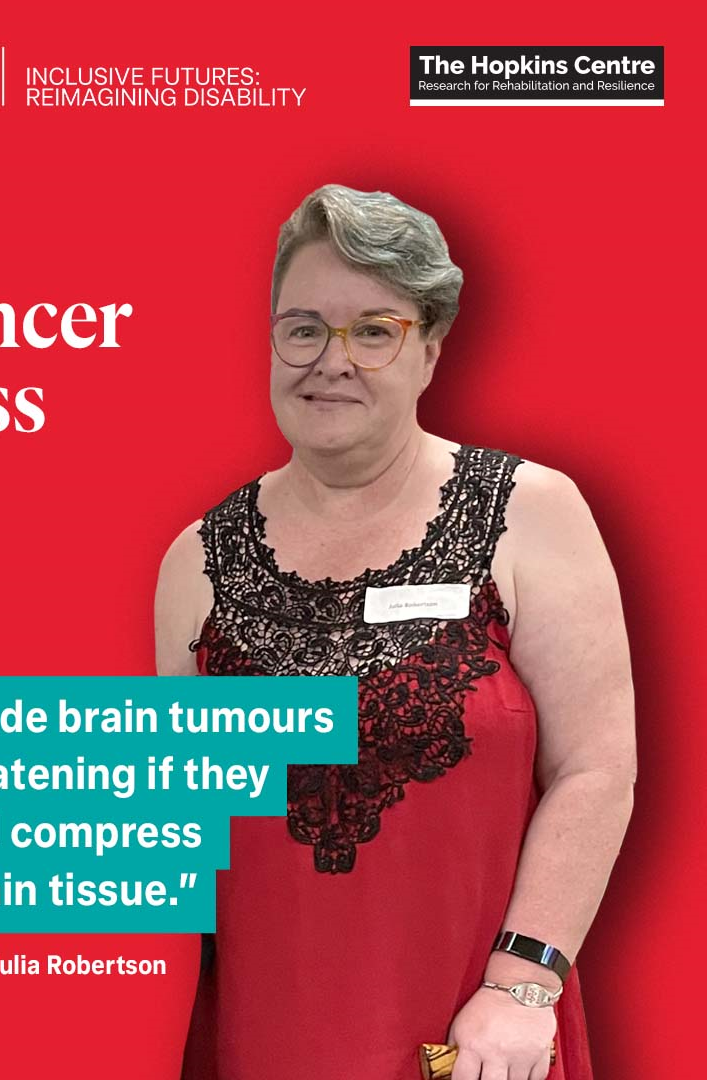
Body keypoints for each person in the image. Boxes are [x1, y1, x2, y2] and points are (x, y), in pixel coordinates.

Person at [155, 185, 636, 1080]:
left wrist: (524, 983)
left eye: (373, 331)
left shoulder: (530, 512)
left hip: (473, 1037)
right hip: (263, 1032)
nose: (331, 360)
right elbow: (187, 830)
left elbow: (597, 769)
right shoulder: (194, 559)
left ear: (431, 348)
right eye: (303, 328)